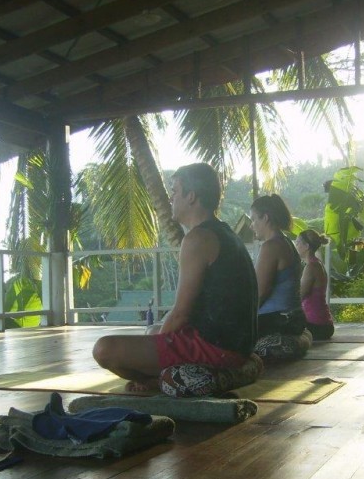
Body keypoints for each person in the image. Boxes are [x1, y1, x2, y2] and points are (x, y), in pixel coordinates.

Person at [92, 163, 258, 391]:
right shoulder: (224, 233)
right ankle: (157, 381)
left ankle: (155, 384)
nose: (171, 199)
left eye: (175, 192)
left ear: (191, 197)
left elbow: (180, 314)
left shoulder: (198, 239)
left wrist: (158, 338)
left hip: (217, 349)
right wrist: (156, 335)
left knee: (104, 349)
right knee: (152, 331)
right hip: (235, 344)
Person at [249, 194, 306, 337]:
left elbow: (260, 293)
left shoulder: (271, 247)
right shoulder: (286, 242)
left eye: (254, 219)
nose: (251, 225)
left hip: (277, 322)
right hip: (293, 318)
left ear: (266, 218)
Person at [295, 229, 335, 340]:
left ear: (306, 246)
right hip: (324, 324)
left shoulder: (311, 267)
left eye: (297, 242)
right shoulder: (317, 263)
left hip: (316, 326)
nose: (296, 245)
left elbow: (299, 296)